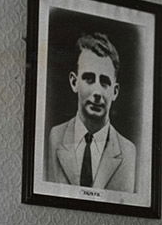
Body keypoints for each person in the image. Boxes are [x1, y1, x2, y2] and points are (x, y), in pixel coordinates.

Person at [46, 32, 136, 192]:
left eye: (104, 82)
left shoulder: (129, 152)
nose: (97, 92)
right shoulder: (53, 138)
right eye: (89, 78)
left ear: (115, 92)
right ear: (74, 82)